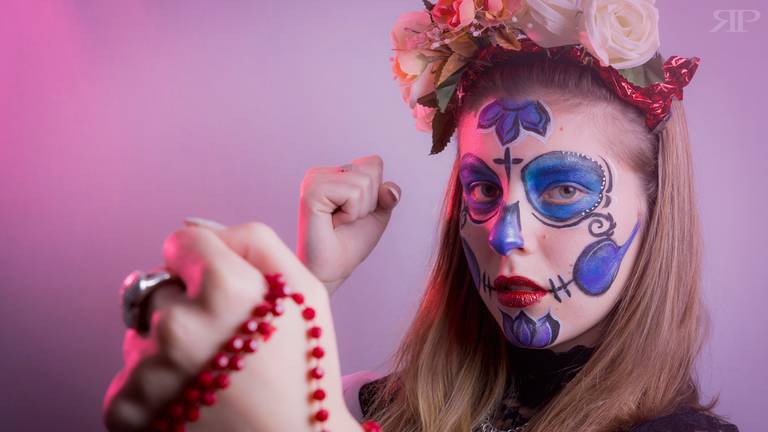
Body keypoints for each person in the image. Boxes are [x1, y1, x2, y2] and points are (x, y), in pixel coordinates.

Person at [103, 1, 740, 431]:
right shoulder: (379, 405)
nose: (505, 235)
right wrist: (305, 296)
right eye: (481, 188)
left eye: (564, 191)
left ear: (656, 208)